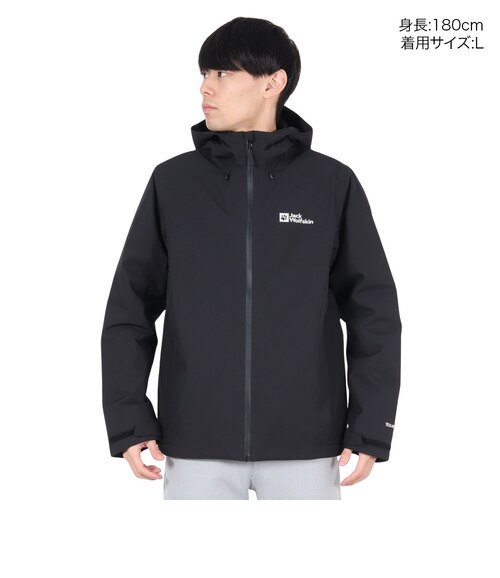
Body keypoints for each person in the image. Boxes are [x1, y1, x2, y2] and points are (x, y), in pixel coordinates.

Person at [101, 17, 402, 500]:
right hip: (195, 442)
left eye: (222, 73)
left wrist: (371, 425)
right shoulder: (173, 183)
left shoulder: (331, 184)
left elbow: (375, 313)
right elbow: (129, 309)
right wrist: (128, 418)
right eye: (204, 74)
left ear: (272, 82)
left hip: (306, 442)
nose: (205, 87)